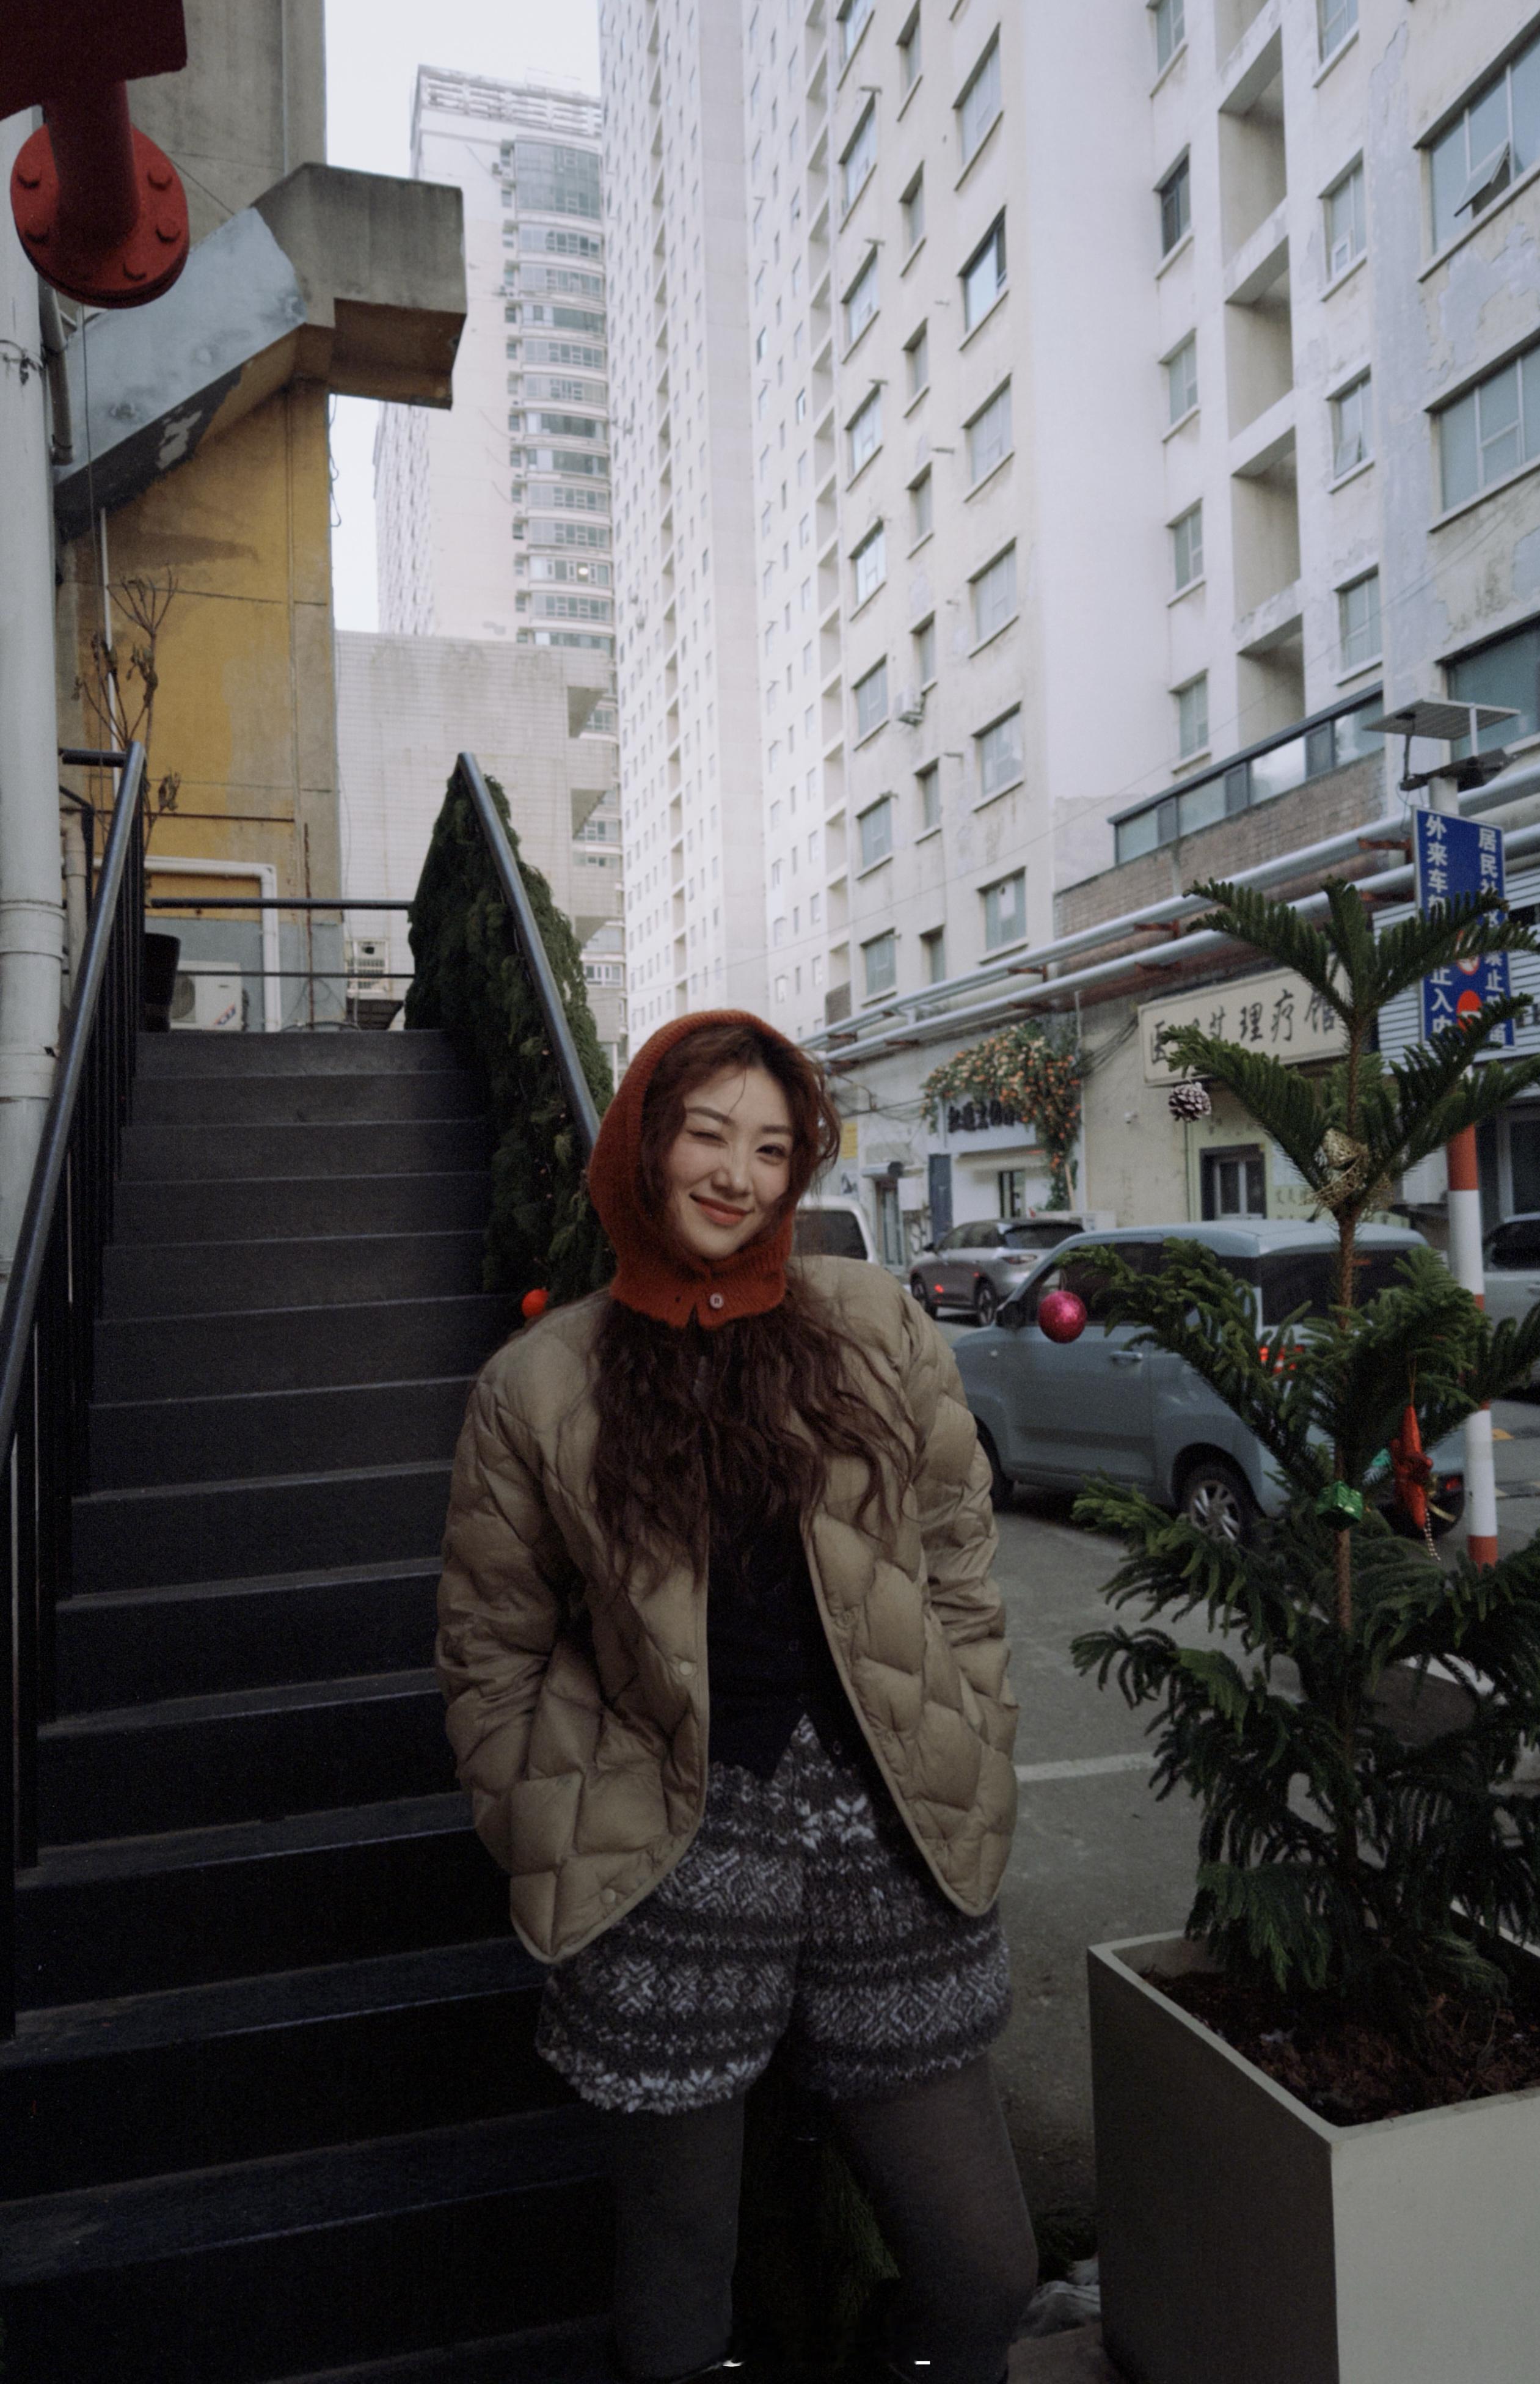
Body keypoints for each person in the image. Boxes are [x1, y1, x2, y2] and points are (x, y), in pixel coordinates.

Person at [436, 1009, 1037, 2384]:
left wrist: (980, 1737)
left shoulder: (873, 1323)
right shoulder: (539, 1383)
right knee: (681, 2269)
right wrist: (546, 1821)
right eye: (707, 1134)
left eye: (772, 1147)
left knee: (984, 2269)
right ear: (642, 1149)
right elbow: (490, 1648)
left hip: (895, 1836)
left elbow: (958, 1555)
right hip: (661, 1860)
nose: (738, 1173)